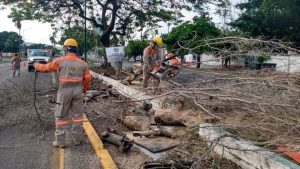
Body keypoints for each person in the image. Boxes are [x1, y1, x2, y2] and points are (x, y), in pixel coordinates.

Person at [34, 38, 91, 148]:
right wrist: (84, 89)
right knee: (77, 116)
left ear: (66, 48)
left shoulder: (60, 61)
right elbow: (87, 79)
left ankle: (60, 142)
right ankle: (77, 140)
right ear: (76, 49)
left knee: (60, 116)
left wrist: (36, 65)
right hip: (78, 91)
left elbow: (46, 68)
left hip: (64, 91)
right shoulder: (83, 64)